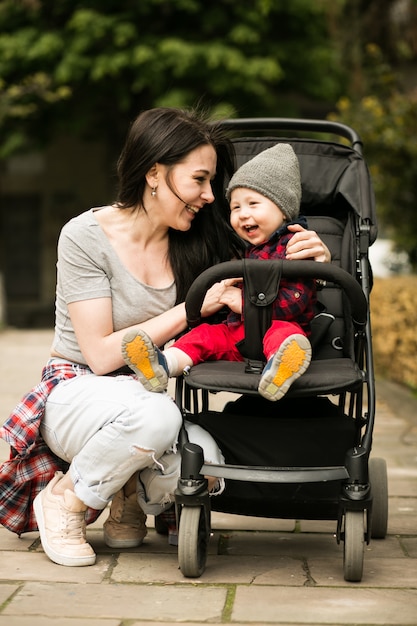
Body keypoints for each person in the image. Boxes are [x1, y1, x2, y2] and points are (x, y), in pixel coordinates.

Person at [0, 107, 331, 568]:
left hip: (144, 394)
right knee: (156, 417)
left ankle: (127, 496)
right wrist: (193, 307)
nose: (210, 196)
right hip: (75, 391)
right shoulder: (85, 236)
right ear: (155, 173)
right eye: (199, 180)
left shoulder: (200, 239)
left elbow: (268, 258)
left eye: (213, 182)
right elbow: (99, 355)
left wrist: (315, 256)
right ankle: (67, 500)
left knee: (207, 463)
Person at [120, 143, 317, 402]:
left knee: (286, 335)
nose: (243, 214)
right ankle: (163, 364)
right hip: (236, 334)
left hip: (277, 326)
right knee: (202, 337)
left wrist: (245, 304)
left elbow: (296, 302)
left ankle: (280, 368)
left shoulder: (294, 246)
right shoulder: (245, 250)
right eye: (235, 208)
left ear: (283, 208)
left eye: (253, 204)